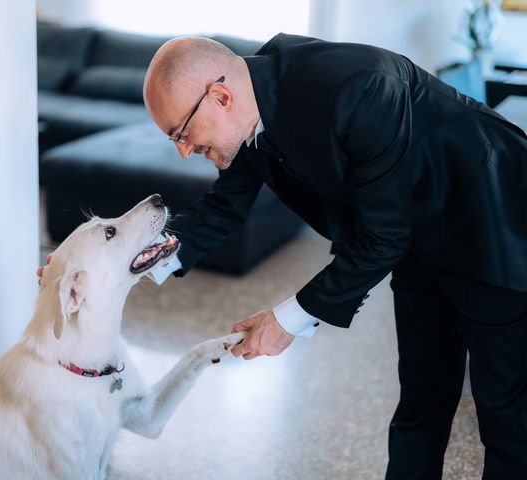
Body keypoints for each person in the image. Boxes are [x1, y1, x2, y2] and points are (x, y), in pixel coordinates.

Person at [138, 34, 527, 479]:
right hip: (414, 237)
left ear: (220, 96)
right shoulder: (250, 107)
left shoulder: (358, 88)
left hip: (491, 224)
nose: (183, 151)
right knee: (423, 397)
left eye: (182, 134)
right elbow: (225, 206)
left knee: (506, 417)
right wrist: (130, 264)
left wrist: (286, 320)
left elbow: (383, 238)